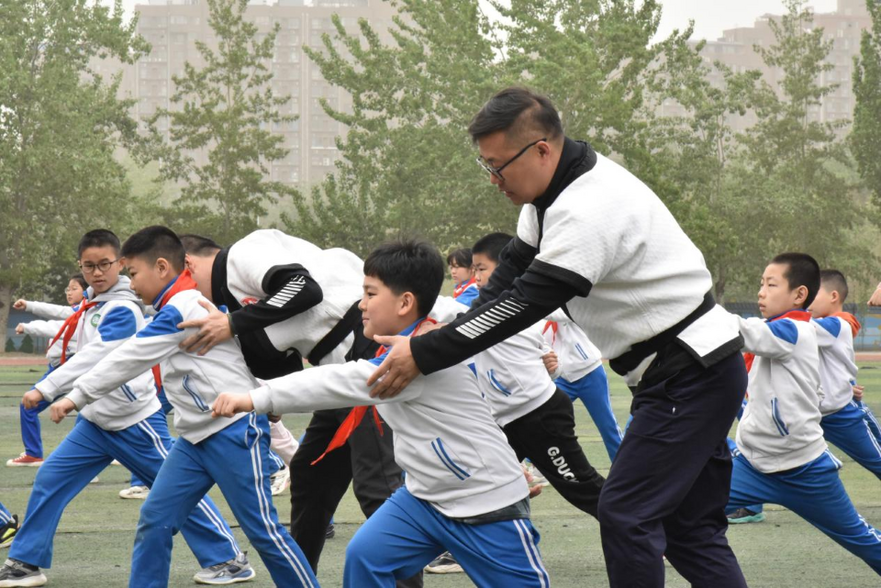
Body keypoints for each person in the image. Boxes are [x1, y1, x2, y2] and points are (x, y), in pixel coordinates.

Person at [367, 87, 747, 588]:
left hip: (691, 370)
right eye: (487, 166)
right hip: (687, 369)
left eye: (498, 166)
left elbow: (524, 304)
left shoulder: (587, 208)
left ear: (541, 149)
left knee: (626, 514)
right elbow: (503, 286)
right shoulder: (547, 198)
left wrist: (425, 350)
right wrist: (446, 330)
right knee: (689, 531)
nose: (494, 180)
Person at [213, 239, 549, 588]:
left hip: (484, 505)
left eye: (371, 294)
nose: (361, 304)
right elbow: (455, 309)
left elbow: (338, 380)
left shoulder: (418, 358)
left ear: (405, 303)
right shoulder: (423, 333)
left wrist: (254, 398)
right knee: (366, 557)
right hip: (422, 500)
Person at [50, 226, 317, 588]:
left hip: (232, 431)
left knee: (264, 532)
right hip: (193, 440)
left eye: (133, 273)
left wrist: (74, 396)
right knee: (154, 519)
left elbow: (129, 357)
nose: (129, 284)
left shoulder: (185, 306)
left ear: (162, 267)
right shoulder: (172, 307)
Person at [0, 230, 248, 588]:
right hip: (95, 423)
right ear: (81, 267)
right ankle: (25, 561)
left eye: (106, 265)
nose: (97, 272)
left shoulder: (123, 307)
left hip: (135, 423)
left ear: (119, 263)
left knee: (176, 493)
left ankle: (229, 559)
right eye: (89, 266)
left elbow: (99, 355)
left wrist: (49, 388)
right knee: (50, 478)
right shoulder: (89, 304)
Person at [180, 231, 416, 586]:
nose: (189, 297)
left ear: (188, 265)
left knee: (377, 488)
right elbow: (278, 357)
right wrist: (272, 393)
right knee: (310, 475)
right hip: (337, 378)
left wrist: (232, 324)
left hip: (371, 365)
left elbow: (305, 290)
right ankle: (300, 580)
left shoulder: (243, 254)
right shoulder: (244, 290)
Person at [726, 253, 881, 575]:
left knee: (862, 540)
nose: (761, 292)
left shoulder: (794, 330)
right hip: (752, 466)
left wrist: (693, 309)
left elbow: (745, 332)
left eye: (771, 284)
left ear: (799, 294)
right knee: (687, 514)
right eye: (760, 284)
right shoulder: (780, 331)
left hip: (805, 471)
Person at [8, 275, 87, 467]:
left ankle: (34, 454)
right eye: (67, 289)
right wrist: (29, 306)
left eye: (73, 288)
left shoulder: (87, 312)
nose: (69, 292)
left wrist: (28, 326)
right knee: (90, 413)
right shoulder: (78, 311)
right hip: (61, 367)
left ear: (86, 291)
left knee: (28, 405)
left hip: (65, 368)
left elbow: (58, 326)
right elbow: (56, 310)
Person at [541, 313, 623, 462]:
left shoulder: (563, 303)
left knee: (607, 426)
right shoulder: (537, 319)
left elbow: (560, 313)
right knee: (543, 419)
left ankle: (624, 469)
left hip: (590, 371)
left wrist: (532, 305)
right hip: (562, 378)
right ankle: (534, 463)